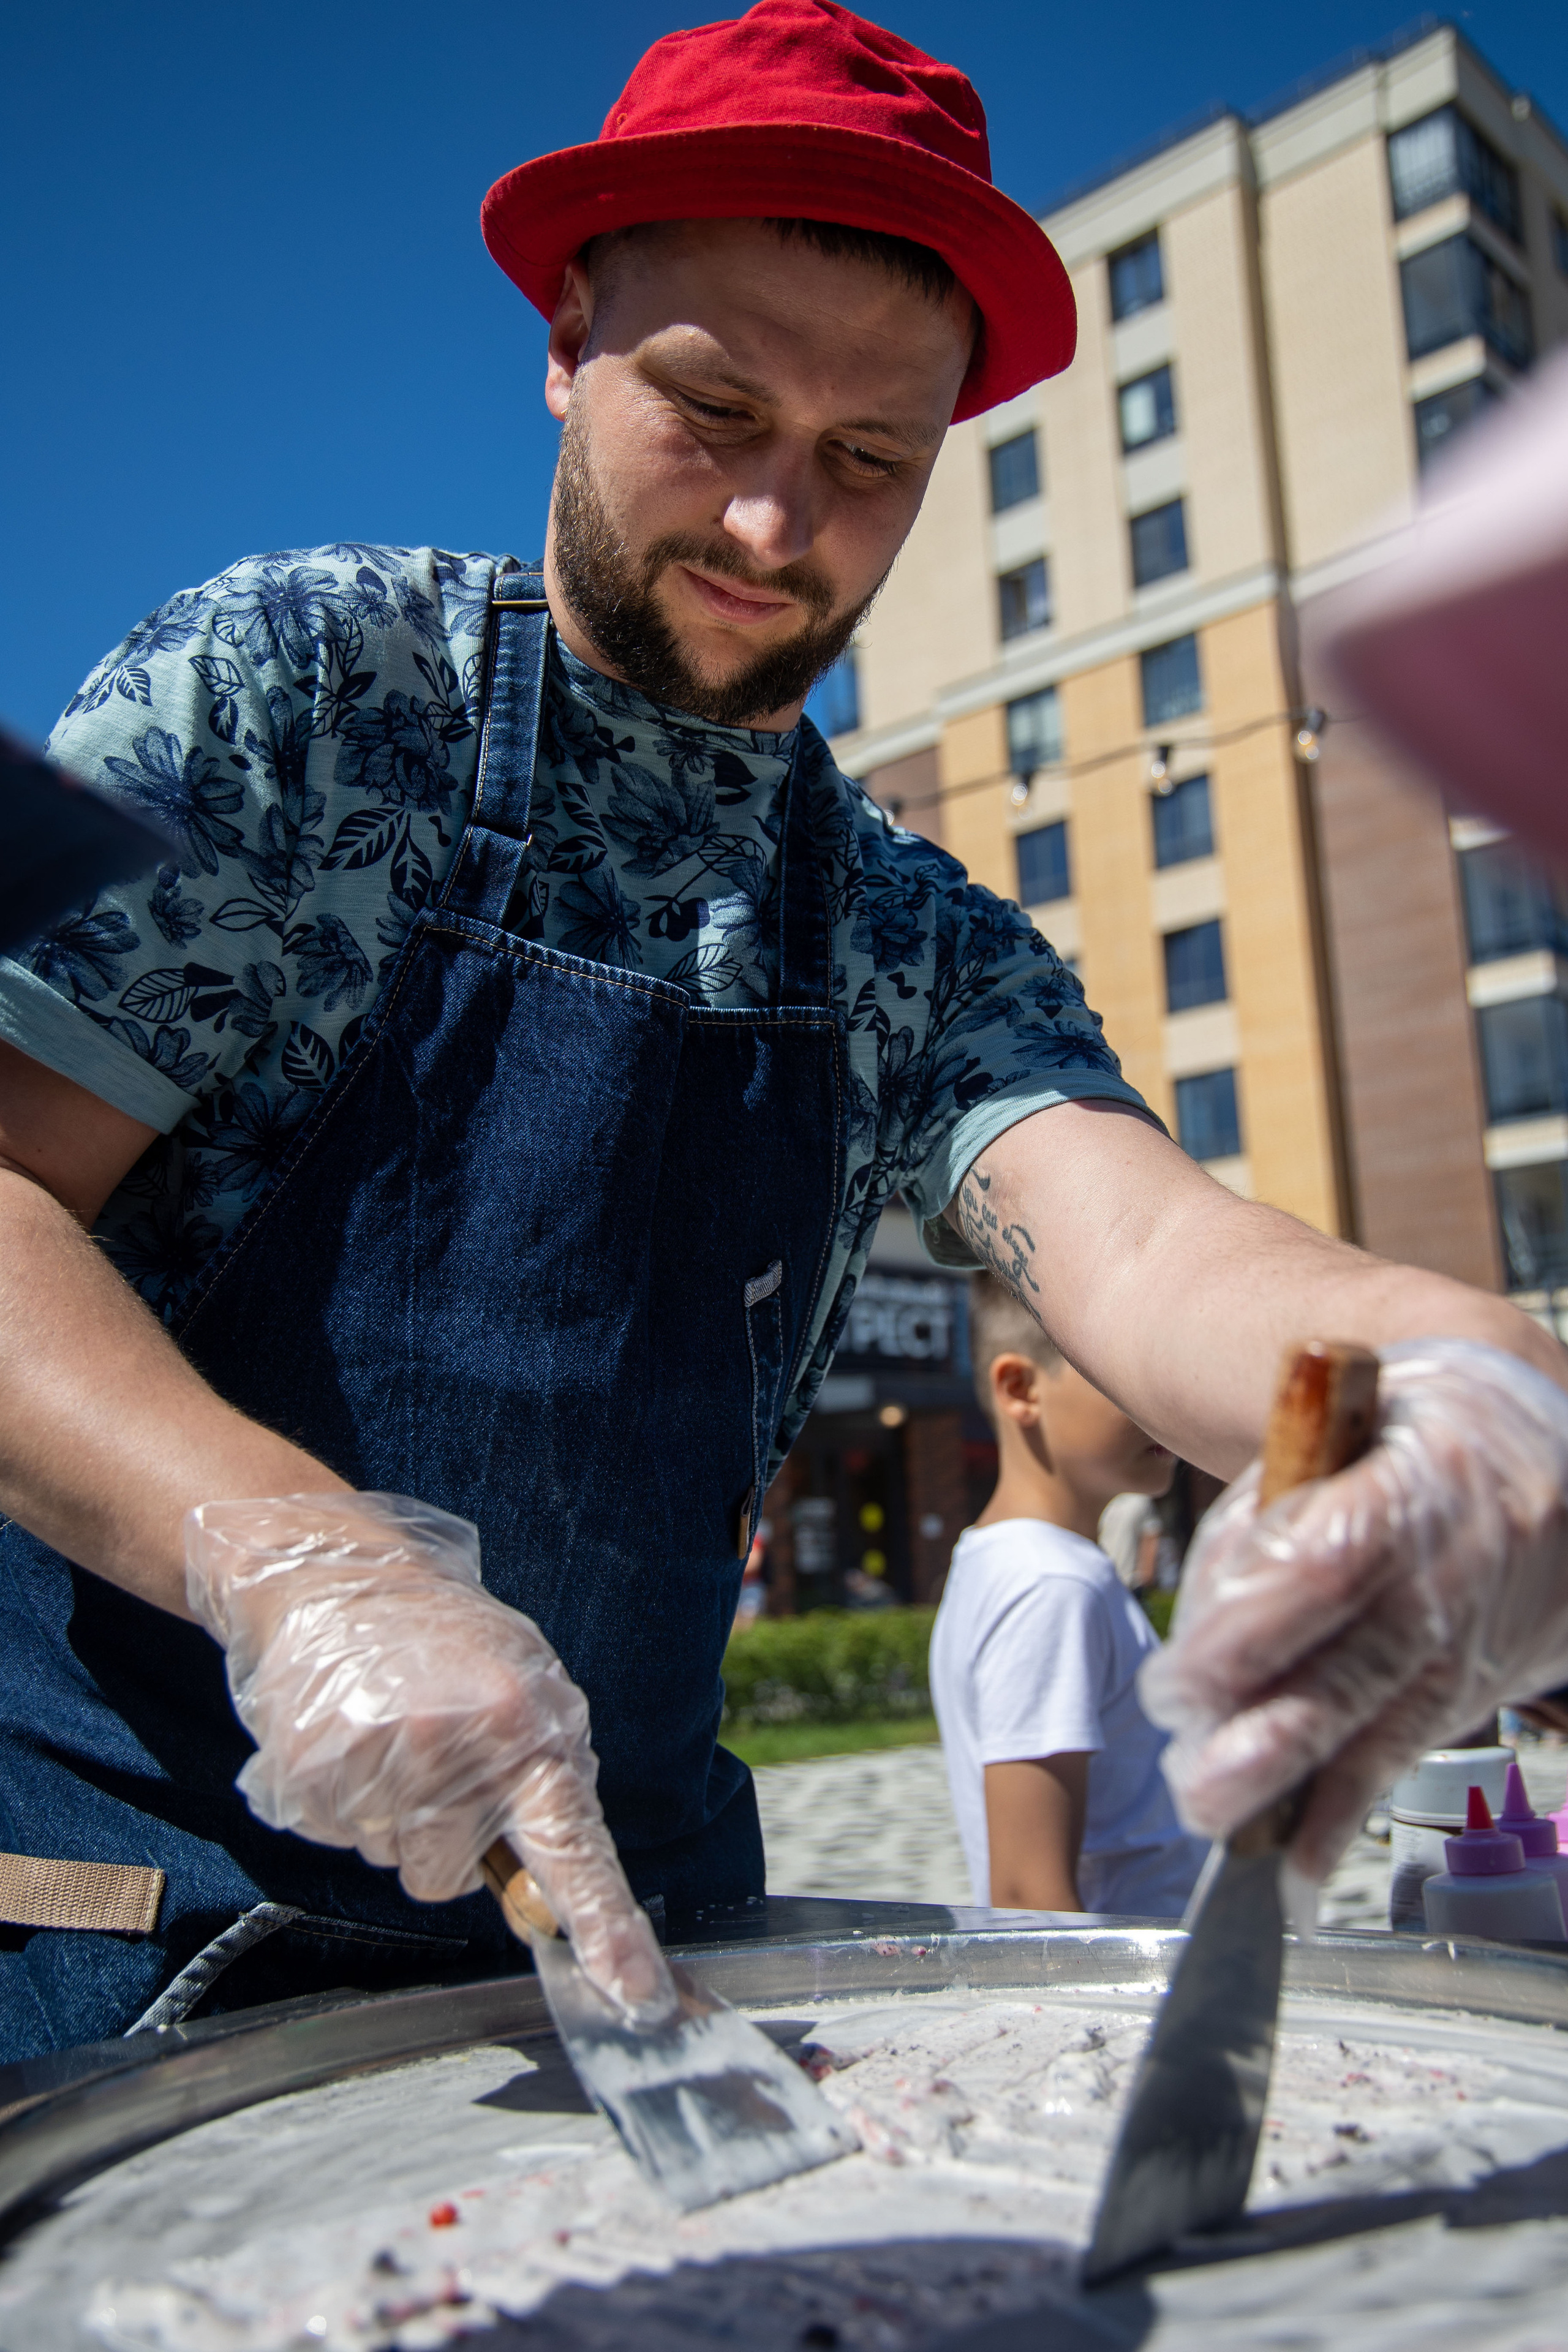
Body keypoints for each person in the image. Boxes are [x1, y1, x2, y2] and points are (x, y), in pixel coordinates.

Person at [2, 0, 1567, 2058]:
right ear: (567, 343)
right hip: (134, 1937)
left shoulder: (906, 930)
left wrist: (1468, 1381)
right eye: (715, 410)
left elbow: (1160, 1246)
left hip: (638, 1966)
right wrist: (294, 1559)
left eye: (865, 462)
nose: (772, 528)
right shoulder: (299, 697)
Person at [930, 1276, 1208, 1917]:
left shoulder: (1021, 1564)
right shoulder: (1048, 1584)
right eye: (1125, 1375)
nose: (1163, 1401)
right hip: (1133, 2003)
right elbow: (1029, 1895)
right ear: (1020, 1389)